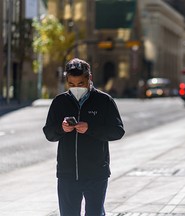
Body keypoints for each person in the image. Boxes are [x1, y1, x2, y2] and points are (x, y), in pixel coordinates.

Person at [43, 58, 125, 216]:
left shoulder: (104, 101)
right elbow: (49, 133)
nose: (76, 88)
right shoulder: (60, 102)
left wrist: (90, 128)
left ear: (89, 79)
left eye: (80, 84)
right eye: (71, 84)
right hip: (67, 174)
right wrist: (61, 128)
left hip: (96, 173)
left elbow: (117, 131)